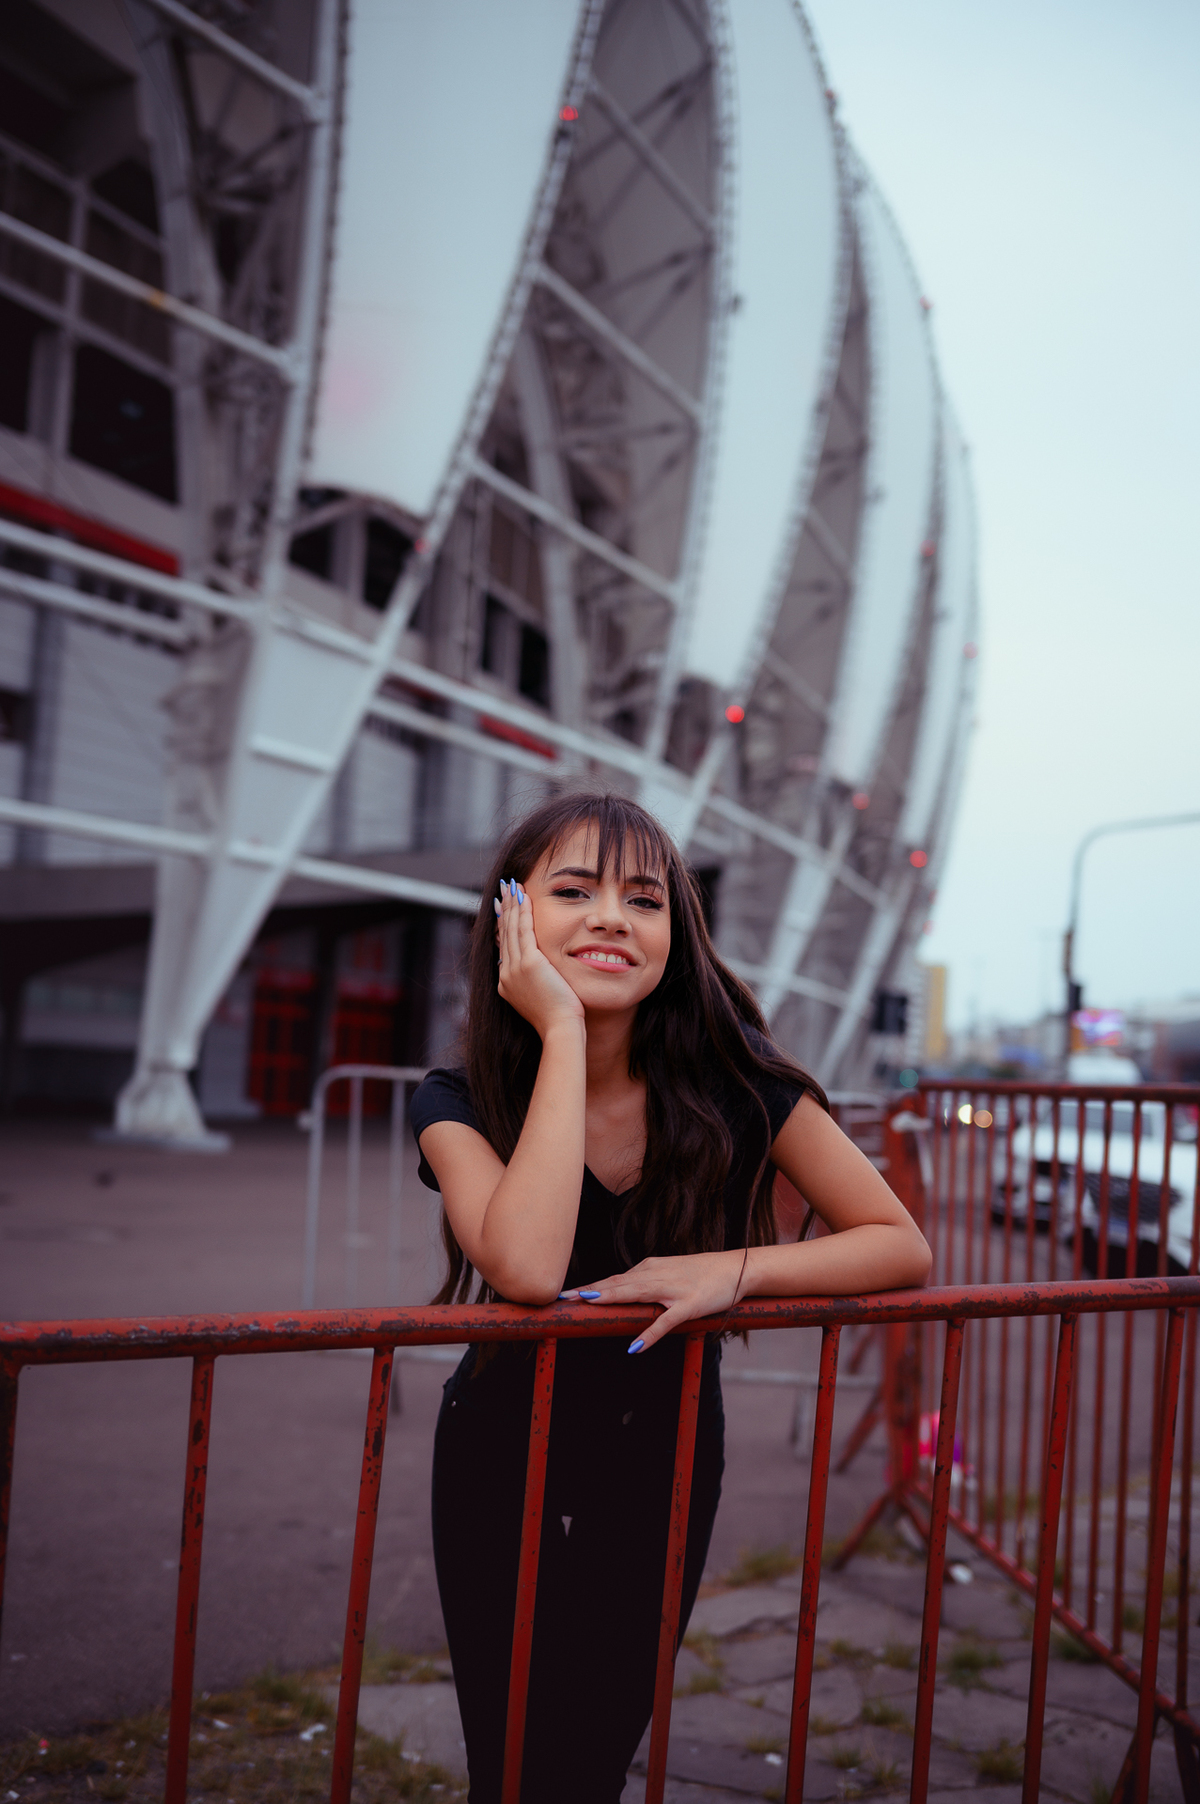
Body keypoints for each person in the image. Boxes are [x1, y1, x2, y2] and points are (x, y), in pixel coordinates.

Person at [410, 791, 930, 1802]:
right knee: (504, 1768)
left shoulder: (741, 1088)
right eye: (574, 890)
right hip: (495, 1447)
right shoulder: (457, 1100)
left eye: (644, 900)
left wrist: (731, 1269)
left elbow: (898, 1243)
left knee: (589, 1764)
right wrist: (563, 1032)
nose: (612, 917)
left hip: (665, 1449)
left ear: (675, 935)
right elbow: (526, 1269)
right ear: (512, 918)